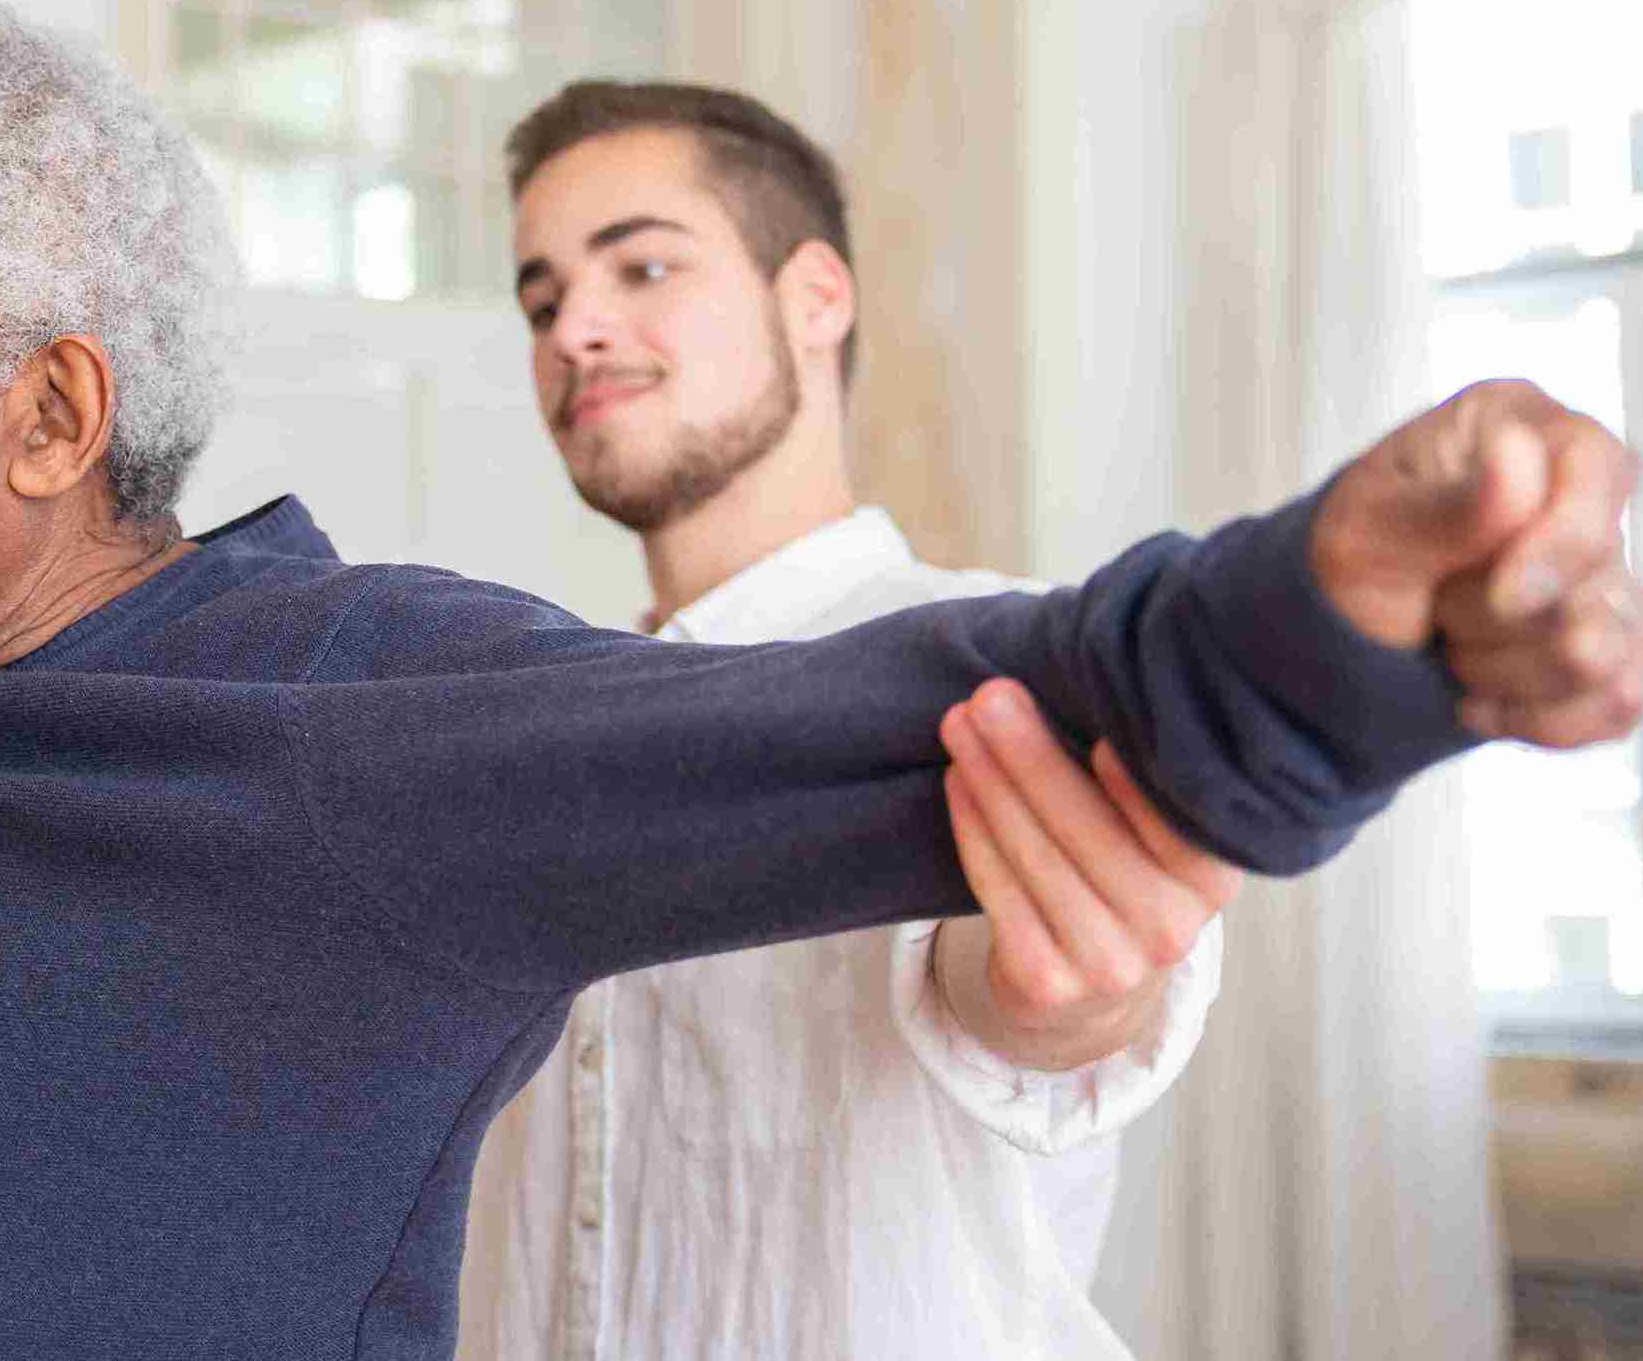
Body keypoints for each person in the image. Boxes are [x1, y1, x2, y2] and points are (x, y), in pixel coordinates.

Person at [0, 6, 1643, 1360]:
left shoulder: (366, 723)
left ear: (45, 415)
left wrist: (1365, 618)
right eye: (539, 285)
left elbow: (1007, 690)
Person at [463, 83, 1239, 1358]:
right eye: (541, 302)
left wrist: (1066, 991)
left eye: (641, 266)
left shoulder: (1001, 668)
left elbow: (1040, 1007)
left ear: (814, 297)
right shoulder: (528, 725)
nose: (574, 331)